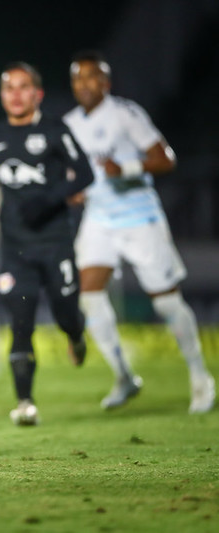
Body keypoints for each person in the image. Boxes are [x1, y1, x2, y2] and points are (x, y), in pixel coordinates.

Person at [64, 50, 215, 413]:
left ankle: (200, 376)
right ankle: (124, 376)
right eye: (79, 78)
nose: (85, 84)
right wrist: (74, 188)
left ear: (106, 83)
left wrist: (127, 167)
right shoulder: (70, 122)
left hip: (139, 217)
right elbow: (80, 171)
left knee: (165, 301)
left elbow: (166, 158)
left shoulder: (125, 114)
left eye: (92, 77)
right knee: (89, 292)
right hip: (99, 217)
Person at [0, 62, 93, 425]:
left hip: (55, 241)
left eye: (23, 87)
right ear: (2, 95)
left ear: (37, 94)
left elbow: (85, 172)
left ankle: (76, 335)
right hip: (15, 247)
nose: (15, 94)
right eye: (8, 88)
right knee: (20, 319)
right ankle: (25, 402)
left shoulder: (53, 129)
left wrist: (50, 199)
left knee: (66, 311)